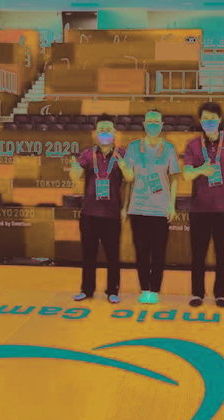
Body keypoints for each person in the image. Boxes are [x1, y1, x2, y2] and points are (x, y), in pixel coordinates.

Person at [69, 114, 133, 303]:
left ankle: (112, 291)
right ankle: (86, 290)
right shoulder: (87, 154)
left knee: (113, 255)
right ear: (95, 133)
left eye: (108, 130)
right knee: (88, 254)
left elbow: (130, 179)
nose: (105, 133)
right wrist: (73, 171)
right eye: (101, 130)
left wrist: (124, 208)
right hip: (89, 213)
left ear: (114, 132)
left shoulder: (122, 154)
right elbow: (75, 176)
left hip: (112, 214)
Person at [183, 102, 224, 308]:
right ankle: (197, 293)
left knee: (222, 254)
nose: (209, 121)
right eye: (205, 118)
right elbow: (187, 174)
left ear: (219, 120)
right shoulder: (192, 145)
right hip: (199, 208)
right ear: (200, 121)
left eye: (213, 118)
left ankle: (220, 294)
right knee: (198, 254)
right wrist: (201, 170)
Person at [122, 109, 181, 305]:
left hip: (160, 208)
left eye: (156, 121)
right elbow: (128, 180)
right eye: (150, 121)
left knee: (158, 252)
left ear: (162, 124)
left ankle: (154, 289)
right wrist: (125, 206)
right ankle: (144, 289)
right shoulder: (133, 147)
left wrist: (171, 205)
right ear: (144, 124)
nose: (153, 124)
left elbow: (174, 179)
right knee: (141, 250)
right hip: (138, 208)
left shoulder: (169, 148)